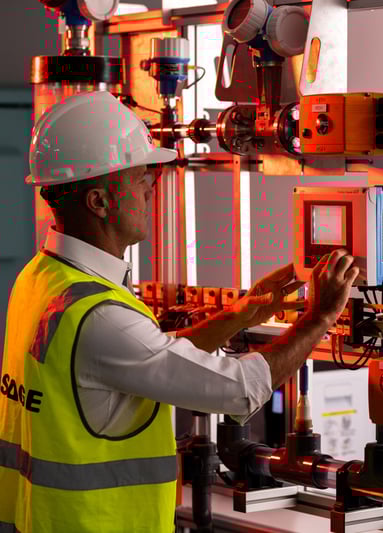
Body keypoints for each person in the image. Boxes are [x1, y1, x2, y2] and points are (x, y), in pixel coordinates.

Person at [0, 91, 359, 532]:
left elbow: (148, 355)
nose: (151, 187)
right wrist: (319, 317)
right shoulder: (99, 316)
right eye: (138, 177)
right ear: (98, 201)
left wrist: (241, 314)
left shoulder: (41, 278)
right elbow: (239, 390)